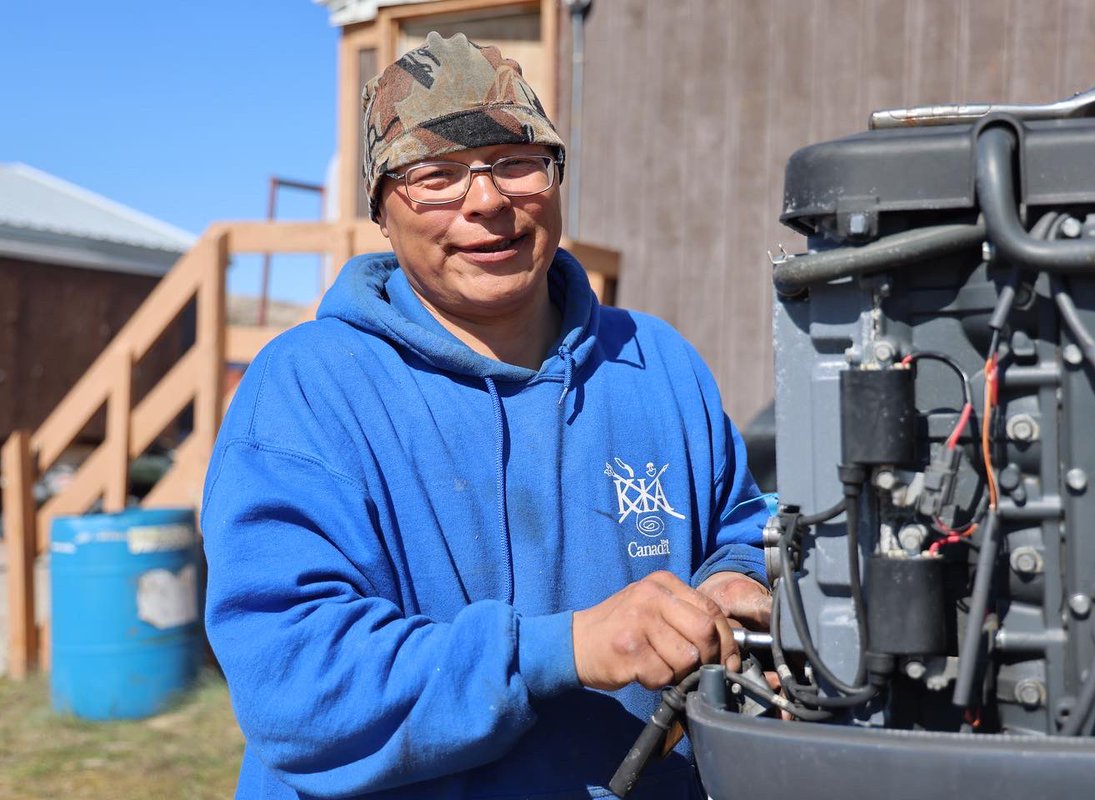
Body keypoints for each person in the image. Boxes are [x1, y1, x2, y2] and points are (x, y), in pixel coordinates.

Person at [202, 32, 771, 800]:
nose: (487, 200)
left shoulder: (657, 364)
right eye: (434, 177)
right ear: (380, 211)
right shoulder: (307, 390)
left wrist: (736, 578)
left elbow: (742, 527)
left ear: (557, 177)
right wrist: (564, 649)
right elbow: (296, 684)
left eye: (517, 162)